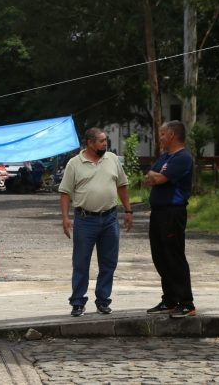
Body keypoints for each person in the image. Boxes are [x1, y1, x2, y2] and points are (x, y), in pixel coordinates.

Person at [58, 127, 133, 317]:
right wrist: (65, 218)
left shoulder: (113, 159)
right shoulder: (74, 163)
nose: (105, 144)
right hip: (85, 219)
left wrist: (128, 210)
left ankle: (103, 300)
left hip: (109, 219)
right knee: (81, 262)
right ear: (90, 143)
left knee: (108, 262)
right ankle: (77, 302)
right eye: (101, 141)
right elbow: (65, 192)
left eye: (105, 140)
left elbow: (122, 185)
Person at [143, 120, 195, 318]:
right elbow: (149, 177)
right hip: (158, 213)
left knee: (174, 256)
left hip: (172, 213)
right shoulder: (165, 157)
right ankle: (170, 299)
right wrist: (154, 175)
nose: (161, 137)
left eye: (163, 134)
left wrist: (155, 176)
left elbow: (157, 179)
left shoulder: (182, 158)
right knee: (160, 257)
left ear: (172, 135)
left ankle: (186, 302)